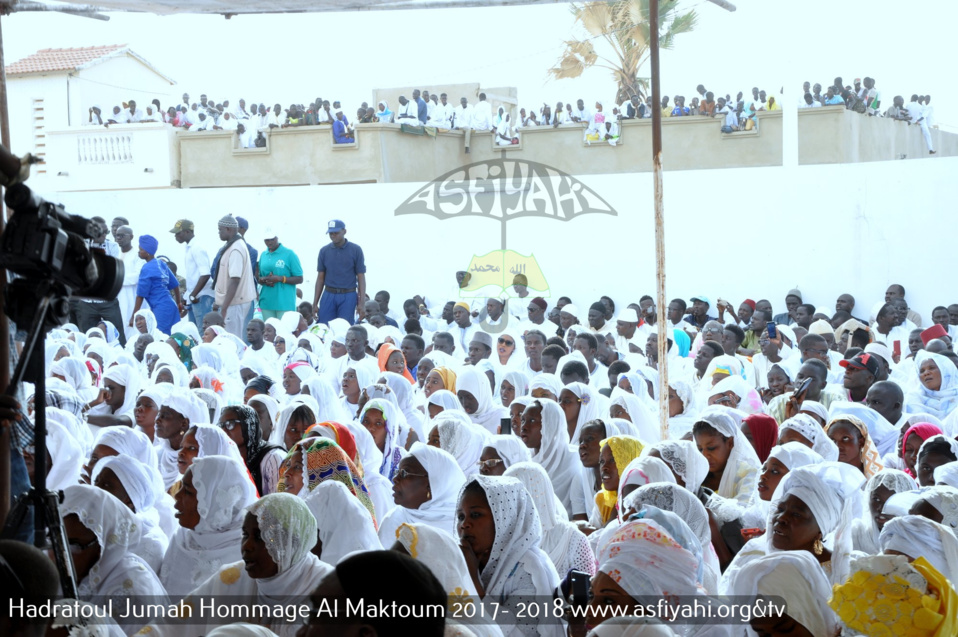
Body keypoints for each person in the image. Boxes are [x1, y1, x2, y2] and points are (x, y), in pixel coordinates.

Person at [456, 475, 564, 637]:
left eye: (476, 515)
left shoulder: (529, 570)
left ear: (504, 520)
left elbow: (515, 634)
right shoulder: (465, 559)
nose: (464, 524)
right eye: (461, 516)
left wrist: (474, 583)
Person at [160, 455, 257, 597]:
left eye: (187, 492)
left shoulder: (245, 553)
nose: (178, 496)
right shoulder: (182, 538)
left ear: (215, 502)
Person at [313, 219, 366, 325]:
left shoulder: (356, 250)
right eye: (331, 233)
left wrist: (362, 303)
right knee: (324, 326)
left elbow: (361, 277)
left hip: (348, 295)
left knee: (344, 327)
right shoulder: (324, 251)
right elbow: (320, 278)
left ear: (344, 231)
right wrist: (315, 303)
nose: (333, 236)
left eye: (336, 233)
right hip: (328, 294)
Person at [211, 215, 256, 339]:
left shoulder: (236, 249)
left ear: (228, 230)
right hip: (232, 302)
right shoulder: (234, 245)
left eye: (220, 230)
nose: (218, 233)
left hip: (234, 303)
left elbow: (235, 280)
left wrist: (224, 308)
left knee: (232, 340)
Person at [129, 235, 181, 336]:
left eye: (141, 249)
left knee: (161, 337)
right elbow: (175, 284)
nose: (139, 251)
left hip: (161, 309)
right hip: (171, 306)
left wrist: (134, 316)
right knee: (172, 337)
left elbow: (140, 296)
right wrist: (178, 303)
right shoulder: (161, 263)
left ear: (147, 252)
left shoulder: (146, 268)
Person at [171, 220, 216, 329]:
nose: (175, 236)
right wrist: (188, 296)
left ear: (187, 232)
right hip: (195, 297)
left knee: (203, 332)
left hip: (202, 297)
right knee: (194, 334)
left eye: (178, 233)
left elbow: (205, 274)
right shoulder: (190, 248)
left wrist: (193, 295)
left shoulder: (197, 248)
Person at [257, 227, 304, 320]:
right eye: (266, 240)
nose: (269, 242)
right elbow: (259, 276)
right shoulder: (263, 255)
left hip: (284, 303)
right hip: (267, 302)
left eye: (272, 239)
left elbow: (299, 278)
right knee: (269, 331)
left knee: (284, 332)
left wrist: (280, 279)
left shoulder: (289, 254)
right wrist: (263, 280)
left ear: (277, 237)